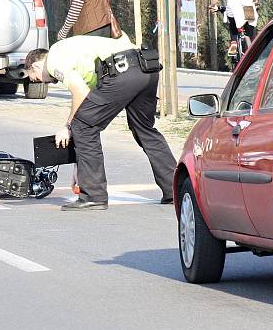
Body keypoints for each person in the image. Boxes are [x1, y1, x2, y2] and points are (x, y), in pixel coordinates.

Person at [25, 35, 176, 211]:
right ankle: (174, 189)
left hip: (122, 70)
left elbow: (80, 93)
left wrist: (67, 127)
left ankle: (93, 195)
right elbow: (86, 107)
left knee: (81, 126)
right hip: (146, 66)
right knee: (144, 129)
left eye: (35, 78)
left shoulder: (53, 61)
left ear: (35, 65)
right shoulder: (71, 51)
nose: (42, 82)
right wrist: (79, 168)